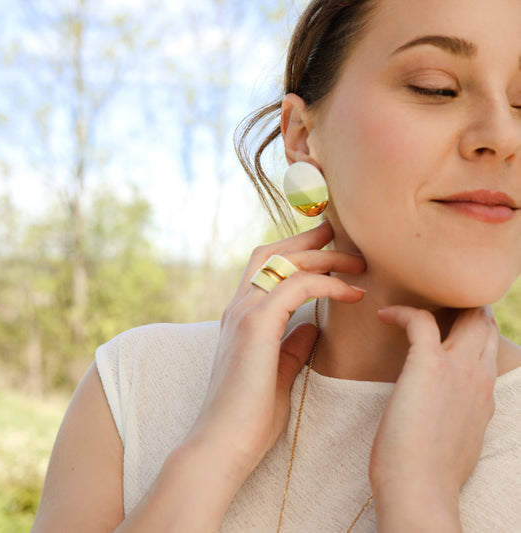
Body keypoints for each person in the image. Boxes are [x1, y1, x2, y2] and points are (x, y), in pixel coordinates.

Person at [32, 0, 521, 531]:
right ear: (303, 135)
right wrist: (213, 451)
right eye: (436, 87)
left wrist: (420, 499)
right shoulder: (137, 381)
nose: (503, 135)